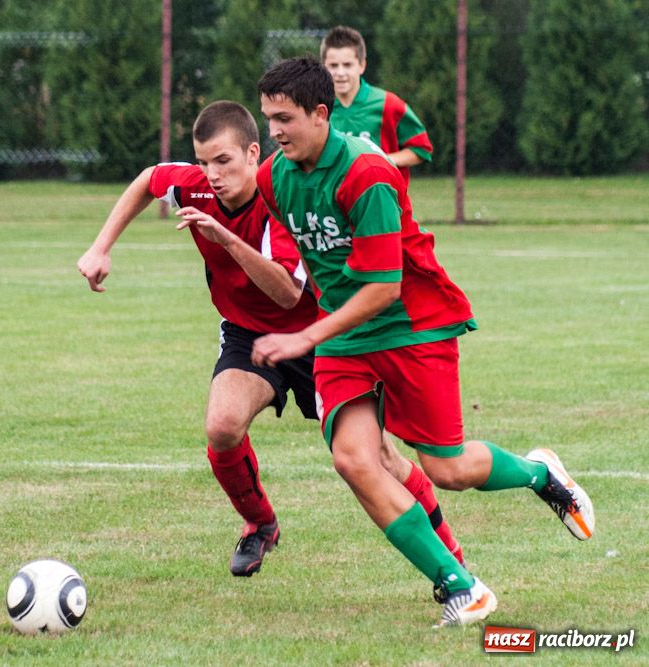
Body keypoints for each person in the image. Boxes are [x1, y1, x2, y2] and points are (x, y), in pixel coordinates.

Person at [252, 56, 594, 626]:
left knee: (448, 470)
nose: (276, 131)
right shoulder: (272, 176)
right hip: (344, 338)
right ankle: (461, 585)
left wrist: (305, 334)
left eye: (284, 118)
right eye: (268, 119)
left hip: (410, 326)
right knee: (354, 458)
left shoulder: (367, 174)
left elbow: (383, 287)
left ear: (320, 113)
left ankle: (540, 474)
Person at [78, 100, 464, 577]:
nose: (212, 174)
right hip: (249, 334)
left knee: (378, 457)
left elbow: (286, 293)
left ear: (253, 153)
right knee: (222, 426)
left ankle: (455, 561)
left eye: (223, 161)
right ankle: (260, 525)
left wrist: (227, 240)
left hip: (318, 336)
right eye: (203, 162)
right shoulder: (197, 189)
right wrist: (100, 247)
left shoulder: (280, 195)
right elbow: (149, 179)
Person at [320, 25, 432, 185]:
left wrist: (382, 160)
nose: (340, 73)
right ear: (323, 67)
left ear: (362, 65)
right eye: (333, 66)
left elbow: (421, 150)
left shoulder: (388, 104)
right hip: (332, 202)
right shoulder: (317, 109)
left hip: (380, 198)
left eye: (347, 65)